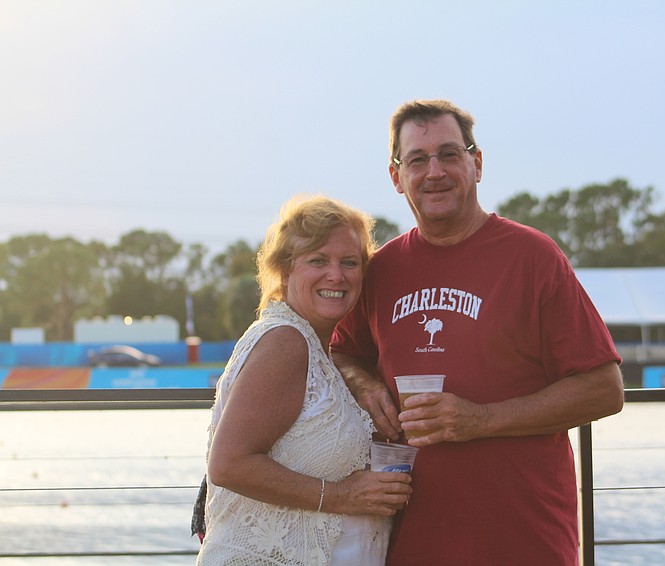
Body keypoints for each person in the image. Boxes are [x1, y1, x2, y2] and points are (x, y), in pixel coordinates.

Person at [330, 100, 624, 566]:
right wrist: (366, 386)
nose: (435, 172)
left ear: (477, 163)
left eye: (449, 154)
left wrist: (479, 420)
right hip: (410, 541)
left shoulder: (533, 257)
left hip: (525, 540)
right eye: (417, 160)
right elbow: (340, 354)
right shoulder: (381, 269)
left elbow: (604, 390)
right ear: (396, 176)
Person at [195, 195, 413, 566]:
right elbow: (229, 464)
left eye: (350, 262)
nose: (336, 275)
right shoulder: (285, 342)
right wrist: (344, 495)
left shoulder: (315, 348)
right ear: (284, 270)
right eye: (317, 260)